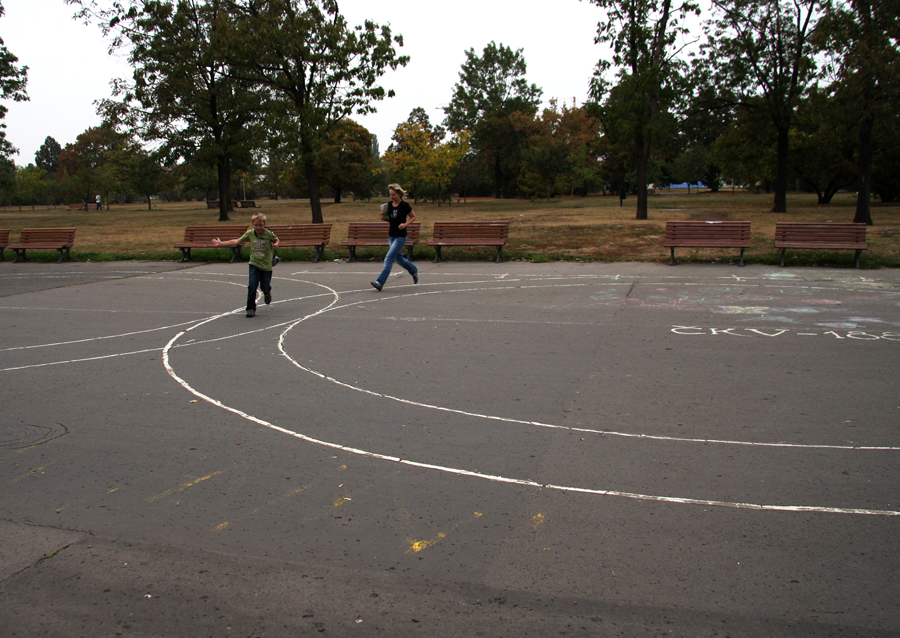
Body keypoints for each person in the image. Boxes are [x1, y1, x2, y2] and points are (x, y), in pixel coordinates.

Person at [212, 212, 279, 317]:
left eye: (260, 225)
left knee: (265, 286)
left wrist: (276, 244)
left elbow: (276, 240)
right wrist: (221, 244)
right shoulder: (250, 234)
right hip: (254, 263)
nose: (258, 227)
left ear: (264, 224)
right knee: (252, 286)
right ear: (252, 224)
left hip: (266, 265)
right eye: (256, 225)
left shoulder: (268, 234)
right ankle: (250, 308)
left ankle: (267, 292)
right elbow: (236, 242)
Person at [371, 183, 418, 291]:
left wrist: (405, 224)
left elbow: (413, 217)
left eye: (394, 194)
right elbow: (391, 220)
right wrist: (383, 218)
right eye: (390, 194)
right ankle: (413, 269)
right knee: (399, 259)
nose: (392, 196)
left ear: (399, 194)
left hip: (400, 236)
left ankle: (380, 282)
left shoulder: (404, 205)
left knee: (389, 258)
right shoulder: (389, 205)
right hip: (391, 235)